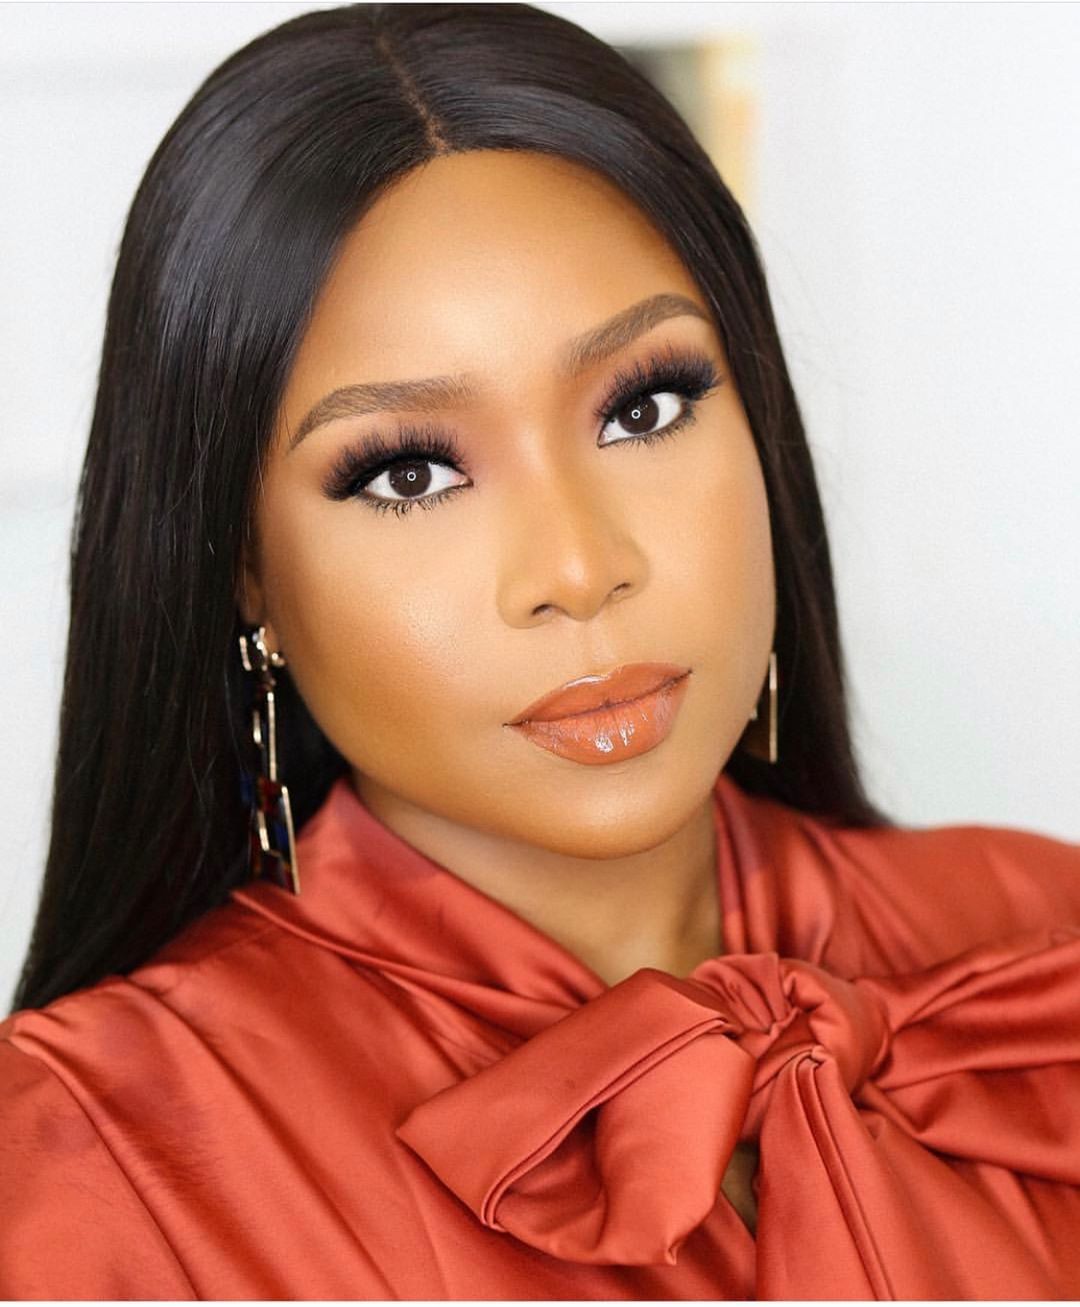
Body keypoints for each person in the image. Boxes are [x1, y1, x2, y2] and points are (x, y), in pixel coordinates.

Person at [2, 2, 1078, 1299]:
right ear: (244, 568)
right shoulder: (84, 1159)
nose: (578, 568)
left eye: (646, 407)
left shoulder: (1043, 939)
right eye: (408, 473)